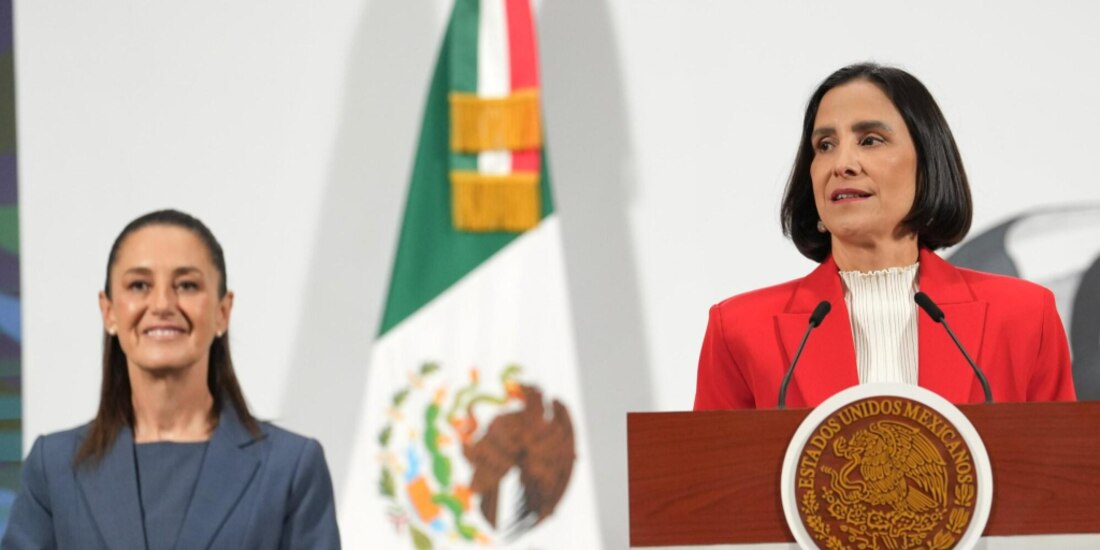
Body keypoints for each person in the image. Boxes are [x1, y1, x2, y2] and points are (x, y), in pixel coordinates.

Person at [694, 63, 1076, 410]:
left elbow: (1062, 478)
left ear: (926, 163)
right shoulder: (741, 331)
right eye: (824, 146)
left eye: (870, 140)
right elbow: (709, 481)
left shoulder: (1024, 317)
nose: (841, 164)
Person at [2, 210, 341, 549]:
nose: (162, 304)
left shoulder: (291, 467)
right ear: (109, 311)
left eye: (187, 285)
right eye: (139, 285)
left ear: (223, 311)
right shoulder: (55, 467)